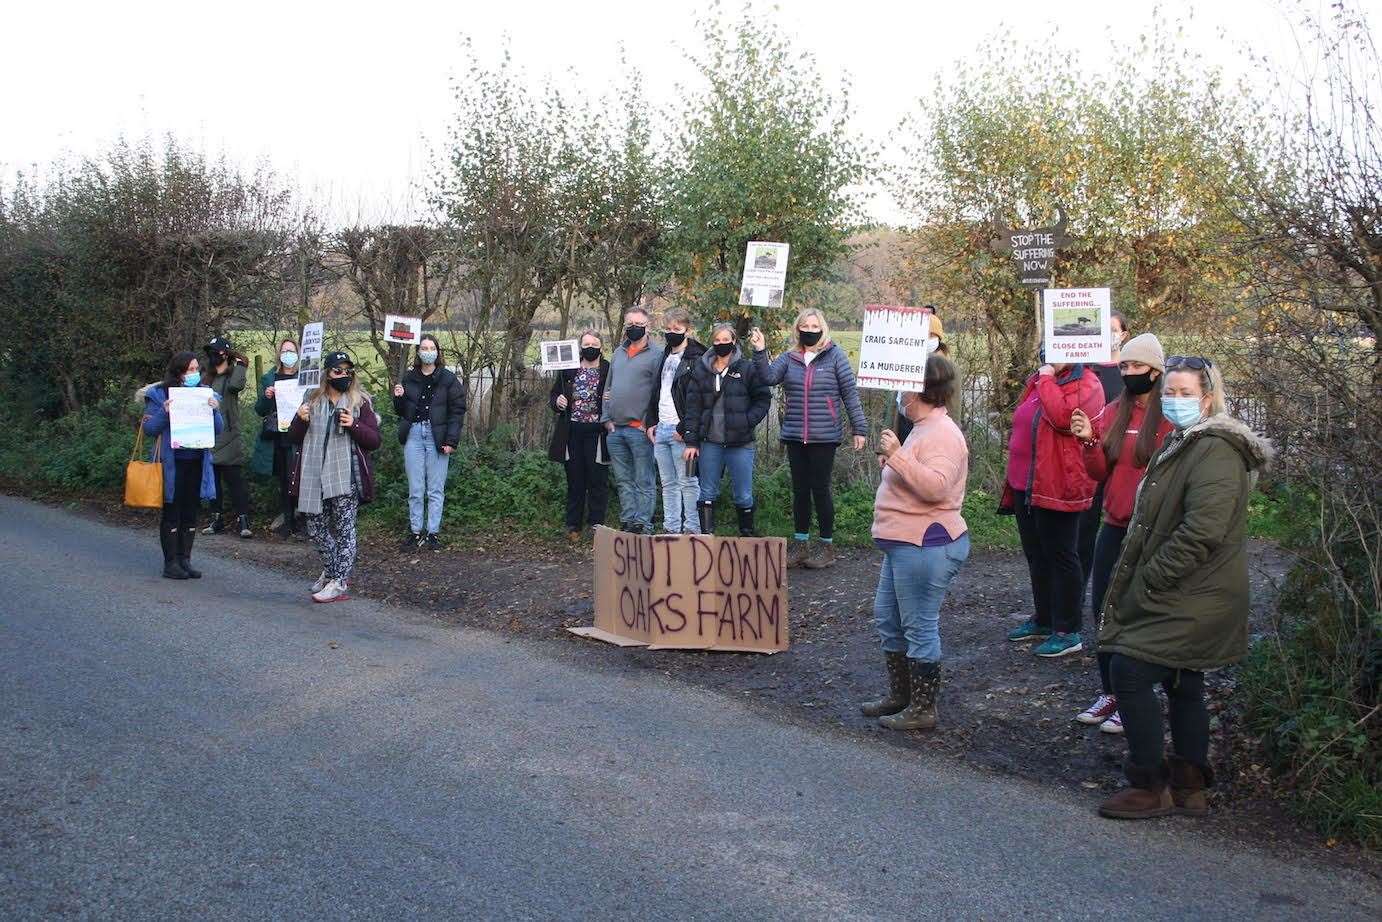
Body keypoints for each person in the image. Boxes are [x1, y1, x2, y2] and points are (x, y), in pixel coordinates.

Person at [1096, 357, 1272, 820]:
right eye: (1168, 392)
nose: (1174, 401)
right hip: (1190, 589)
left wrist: (1150, 579)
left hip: (1194, 593)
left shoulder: (1215, 449)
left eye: (1185, 393)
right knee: (1182, 678)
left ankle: (1150, 786)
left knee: (1130, 671)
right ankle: (1189, 785)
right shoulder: (1183, 441)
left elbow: (1202, 531)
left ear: (1208, 398)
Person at [1069, 334, 1174, 735]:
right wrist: (1087, 441)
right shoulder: (1115, 410)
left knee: (1141, 613)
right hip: (1114, 524)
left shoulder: (1169, 416)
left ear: (1155, 371)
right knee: (1104, 611)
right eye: (1124, 367)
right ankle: (1111, 692)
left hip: (1151, 530)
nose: (1128, 373)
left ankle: (1138, 698)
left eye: (1136, 367)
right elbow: (1099, 472)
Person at [861, 355, 969, 731]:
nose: (899, 392)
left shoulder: (942, 433)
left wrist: (897, 458)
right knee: (889, 620)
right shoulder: (922, 427)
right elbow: (913, 475)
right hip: (903, 543)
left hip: (926, 543)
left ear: (918, 389)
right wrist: (894, 462)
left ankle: (923, 709)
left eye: (904, 384)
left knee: (919, 626)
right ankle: (901, 696)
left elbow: (935, 487)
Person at [1001, 355, 1105, 657]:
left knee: (1062, 555)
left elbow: (1063, 419)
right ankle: (1044, 618)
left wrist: (1045, 379)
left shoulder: (1087, 383)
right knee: (1036, 554)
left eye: (1055, 353)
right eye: (1045, 353)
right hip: (1026, 483)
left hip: (1058, 482)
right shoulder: (1040, 380)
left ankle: (1068, 630)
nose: (1047, 358)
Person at [749, 308, 868, 568]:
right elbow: (768, 377)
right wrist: (760, 351)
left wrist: (860, 428)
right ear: (798, 329)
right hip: (794, 434)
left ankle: (826, 546)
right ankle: (801, 544)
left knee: (821, 490)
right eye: (805, 326)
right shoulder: (790, 358)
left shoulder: (834, 356)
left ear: (822, 329)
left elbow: (850, 394)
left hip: (824, 435)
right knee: (800, 491)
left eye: (815, 326)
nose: (810, 330)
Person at [287, 351, 382, 603]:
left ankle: (339, 581)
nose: (343, 375)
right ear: (326, 374)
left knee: (344, 529)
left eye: (348, 371)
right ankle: (331, 570)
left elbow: (374, 440)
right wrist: (300, 419)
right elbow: (294, 438)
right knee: (315, 528)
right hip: (313, 473)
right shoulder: (312, 400)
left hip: (345, 476)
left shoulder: (360, 402)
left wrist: (355, 424)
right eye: (337, 371)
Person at [681, 323, 772, 536]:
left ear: (733, 342)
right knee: (707, 492)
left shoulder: (747, 368)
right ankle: (706, 539)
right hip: (709, 442)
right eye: (717, 341)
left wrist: (747, 420)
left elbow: (763, 398)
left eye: (726, 340)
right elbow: (692, 408)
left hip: (740, 442)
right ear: (712, 342)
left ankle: (747, 536)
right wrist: (691, 441)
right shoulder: (701, 369)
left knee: (743, 494)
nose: (722, 344)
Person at [141, 352, 224, 579]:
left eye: (196, 368)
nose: (194, 373)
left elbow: (218, 429)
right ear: (178, 371)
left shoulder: (206, 393)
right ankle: (171, 563)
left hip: (196, 461)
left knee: (190, 511)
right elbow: (149, 429)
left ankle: (185, 559)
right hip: (172, 462)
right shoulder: (159, 394)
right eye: (189, 369)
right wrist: (164, 411)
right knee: (172, 510)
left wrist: (214, 409)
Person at [392, 335, 467, 550]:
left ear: (437, 351)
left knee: (435, 489)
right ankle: (415, 531)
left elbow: (457, 410)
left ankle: (432, 533)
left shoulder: (448, 379)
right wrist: (398, 397)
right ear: (418, 352)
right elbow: (401, 412)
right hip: (413, 434)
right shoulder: (408, 378)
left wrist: (451, 440)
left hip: (437, 436)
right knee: (416, 488)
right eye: (423, 348)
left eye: (431, 347)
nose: (427, 351)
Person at [1077, 312, 1129, 612]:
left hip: (1119, 463)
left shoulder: (1129, 372)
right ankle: (1079, 598)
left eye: (1113, 329)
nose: (1108, 334)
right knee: (1083, 534)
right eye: (1103, 329)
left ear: (1123, 334)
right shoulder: (1086, 370)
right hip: (1090, 459)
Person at [644, 309, 706, 534]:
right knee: (668, 485)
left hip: (682, 432)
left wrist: (686, 429)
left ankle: (692, 529)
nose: (672, 333)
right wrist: (651, 421)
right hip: (660, 429)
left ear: (687, 331)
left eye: (677, 330)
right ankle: (671, 528)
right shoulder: (664, 356)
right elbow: (657, 391)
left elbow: (699, 398)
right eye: (668, 329)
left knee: (688, 483)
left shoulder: (697, 359)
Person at [600, 306, 660, 534]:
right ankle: (628, 520)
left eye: (638, 324)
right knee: (623, 480)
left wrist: (648, 423)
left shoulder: (657, 355)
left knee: (643, 479)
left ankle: (643, 523)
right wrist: (606, 419)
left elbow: (658, 393)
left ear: (647, 326)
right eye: (630, 324)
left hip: (640, 429)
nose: (634, 327)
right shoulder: (617, 353)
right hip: (615, 429)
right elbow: (608, 387)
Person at [550, 330, 611, 540]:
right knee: (575, 480)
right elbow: (554, 394)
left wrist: (611, 399)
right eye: (586, 344)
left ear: (601, 346)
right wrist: (557, 402)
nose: (590, 347)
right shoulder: (569, 369)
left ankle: (596, 524)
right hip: (572, 431)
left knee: (597, 479)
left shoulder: (608, 370)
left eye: (594, 344)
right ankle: (573, 525)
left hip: (598, 432)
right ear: (580, 347)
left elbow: (618, 396)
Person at [201, 336, 253, 539]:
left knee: (235, 481)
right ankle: (216, 519)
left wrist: (240, 365)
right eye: (211, 352)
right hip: (209, 435)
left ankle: (243, 520)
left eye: (217, 351)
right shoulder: (206, 377)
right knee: (213, 482)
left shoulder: (232, 376)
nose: (213, 355)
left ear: (225, 353)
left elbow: (236, 386)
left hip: (229, 436)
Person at [251, 338, 302, 537]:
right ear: (279, 354)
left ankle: (301, 518)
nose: (288, 354)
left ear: (298, 354)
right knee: (285, 479)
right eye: (284, 351)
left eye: (291, 350)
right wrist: (266, 396)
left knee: (299, 478)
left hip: (301, 433)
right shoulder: (269, 378)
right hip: (280, 436)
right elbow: (259, 410)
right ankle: (288, 521)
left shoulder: (304, 377)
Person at [893, 308, 948, 444]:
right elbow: (896, 401)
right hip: (905, 424)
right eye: (924, 334)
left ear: (938, 338)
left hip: (932, 428)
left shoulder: (946, 367)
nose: (927, 338)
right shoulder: (907, 361)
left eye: (931, 335)